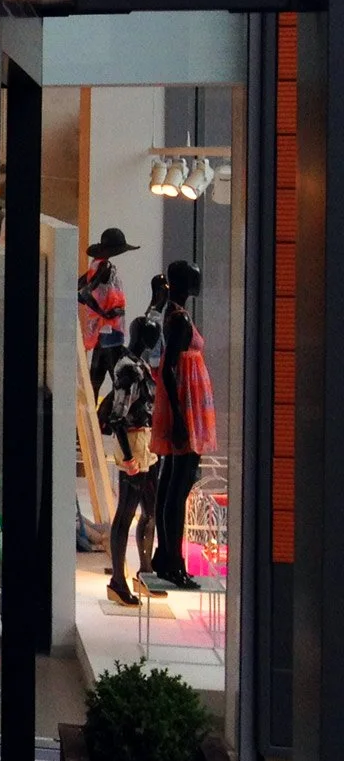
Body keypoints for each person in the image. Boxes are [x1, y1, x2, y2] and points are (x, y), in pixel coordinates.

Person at [146, 260, 216, 591]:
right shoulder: (178, 319)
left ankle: (167, 557)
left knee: (173, 482)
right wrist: (179, 417)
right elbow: (172, 368)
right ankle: (173, 561)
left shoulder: (176, 315)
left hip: (185, 407)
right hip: (185, 409)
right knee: (178, 485)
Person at [98, 317, 159, 606]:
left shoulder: (138, 366)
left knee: (149, 509)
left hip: (145, 440)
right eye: (150, 333)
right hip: (134, 442)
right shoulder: (129, 370)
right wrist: (129, 457)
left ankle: (144, 571)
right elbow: (117, 418)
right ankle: (118, 581)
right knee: (125, 513)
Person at [78, 227, 137, 394]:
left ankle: (95, 415)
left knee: (97, 377)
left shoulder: (95, 265)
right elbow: (84, 293)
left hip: (103, 329)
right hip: (110, 328)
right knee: (117, 374)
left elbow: (80, 292)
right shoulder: (104, 267)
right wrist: (104, 313)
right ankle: (114, 414)